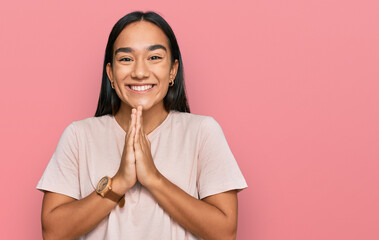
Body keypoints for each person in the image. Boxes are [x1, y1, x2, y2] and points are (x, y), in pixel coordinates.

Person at [37, 11, 247, 240]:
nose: (139, 72)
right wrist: (119, 183)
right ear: (111, 73)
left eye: (154, 57)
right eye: (126, 59)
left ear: (173, 71)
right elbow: (53, 232)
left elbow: (225, 232)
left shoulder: (203, 132)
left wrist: (153, 178)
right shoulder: (78, 136)